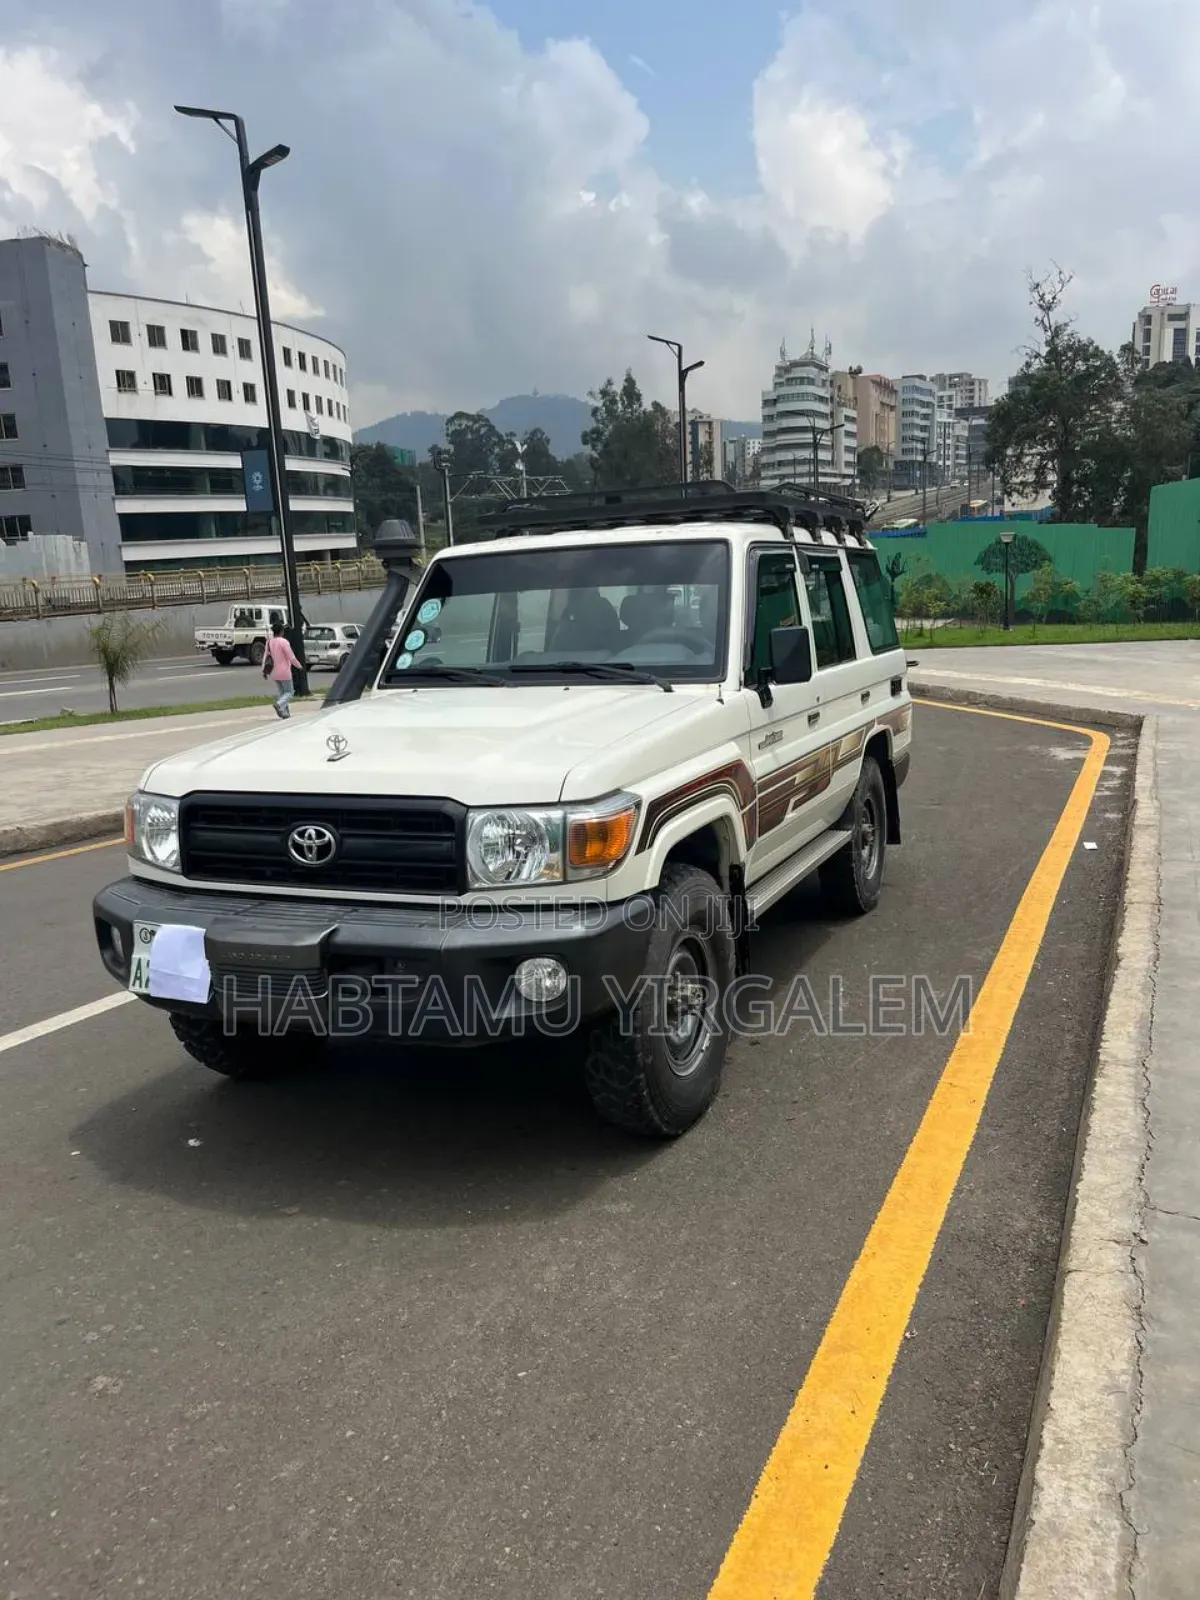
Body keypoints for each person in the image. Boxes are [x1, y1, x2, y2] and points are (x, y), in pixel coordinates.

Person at [262, 620, 300, 718]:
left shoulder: (269, 642)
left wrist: (264, 670)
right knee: (290, 692)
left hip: (274, 672)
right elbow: (291, 657)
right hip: (284, 672)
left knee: (282, 693)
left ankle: (285, 713)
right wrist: (299, 666)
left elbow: (265, 657)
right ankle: (279, 705)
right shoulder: (284, 642)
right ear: (282, 631)